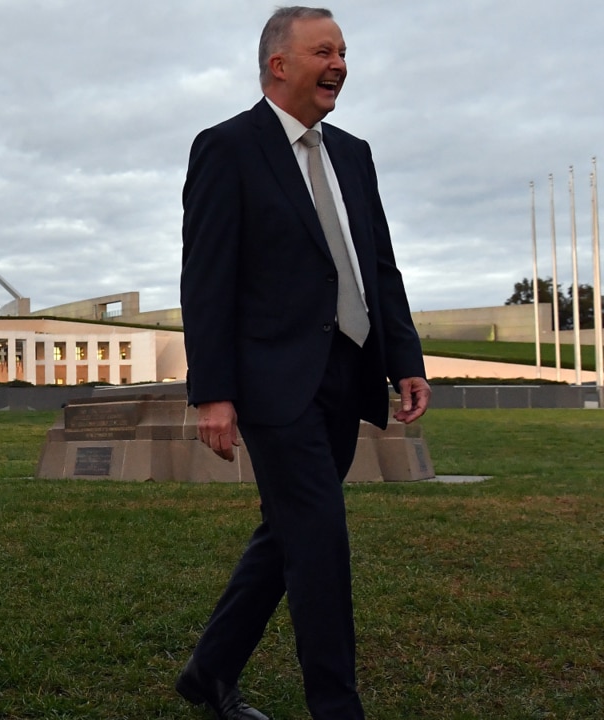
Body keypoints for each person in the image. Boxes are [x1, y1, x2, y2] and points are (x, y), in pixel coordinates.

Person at [175, 7, 431, 720]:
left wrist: (403, 358)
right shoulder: (226, 148)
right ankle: (336, 706)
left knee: (289, 529)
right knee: (319, 537)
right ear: (278, 65)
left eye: (344, 50)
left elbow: (376, 265)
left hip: (346, 374)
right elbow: (207, 277)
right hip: (271, 383)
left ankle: (209, 670)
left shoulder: (354, 152)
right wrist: (214, 393)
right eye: (325, 50)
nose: (341, 62)